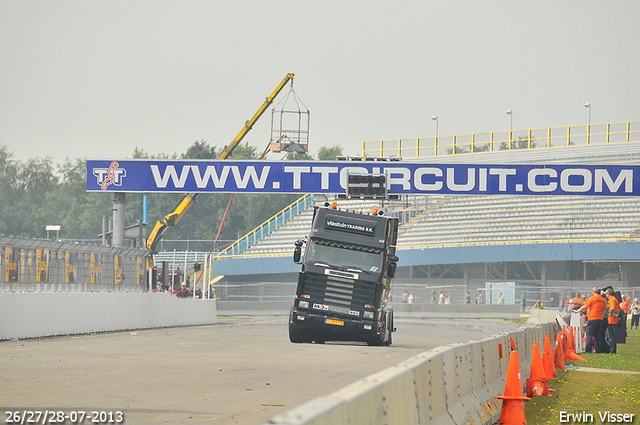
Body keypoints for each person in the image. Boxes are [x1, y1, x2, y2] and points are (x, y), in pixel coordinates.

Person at [576, 287, 607, 353]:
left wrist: (577, 311)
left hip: (593, 318)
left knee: (590, 334)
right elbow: (604, 311)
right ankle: (598, 350)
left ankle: (588, 350)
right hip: (600, 319)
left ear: (594, 292)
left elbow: (585, 306)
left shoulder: (592, 298)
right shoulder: (603, 300)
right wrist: (601, 318)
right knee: (598, 335)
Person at [604, 289, 620, 354]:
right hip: (614, 320)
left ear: (609, 293)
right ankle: (612, 350)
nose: (605, 295)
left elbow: (612, 308)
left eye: (606, 294)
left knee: (611, 336)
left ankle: (612, 350)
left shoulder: (612, 300)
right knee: (611, 336)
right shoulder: (615, 299)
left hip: (611, 320)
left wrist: (610, 313)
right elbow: (619, 308)